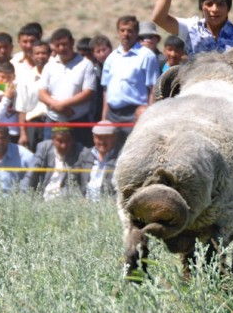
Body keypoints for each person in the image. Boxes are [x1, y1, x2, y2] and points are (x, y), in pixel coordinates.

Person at [101, 16, 160, 147]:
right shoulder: (111, 57)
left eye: (130, 31)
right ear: (118, 32)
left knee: (134, 151)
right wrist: (104, 119)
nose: (126, 34)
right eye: (122, 30)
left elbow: (153, 89)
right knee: (112, 153)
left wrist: (149, 115)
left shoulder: (147, 56)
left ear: (136, 33)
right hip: (112, 114)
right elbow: (106, 90)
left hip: (135, 114)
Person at [39, 28, 97, 147]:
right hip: (53, 120)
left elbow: (88, 93)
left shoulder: (86, 65)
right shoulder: (49, 66)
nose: (61, 48)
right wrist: (58, 107)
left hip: (78, 120)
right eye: (57, 45)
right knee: (49, 156)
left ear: (72, 42)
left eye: (64, 44)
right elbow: (42, 93)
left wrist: (62, 105)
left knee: (81, 159)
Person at [31, 127, 86, 200]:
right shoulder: (44, 147)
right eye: (60, 141)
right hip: (42, 196)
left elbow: (72, 181)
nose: (63, 146)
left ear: (73, 140)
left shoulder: (79, 151)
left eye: (67, 141)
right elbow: (31, 173)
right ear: (52, 139)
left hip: (65, 199)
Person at [16, 40, 51, 151]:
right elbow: (21, 107)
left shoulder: (57, 75)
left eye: (44, 53)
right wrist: (23, 134)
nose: (40, 56)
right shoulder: (26, 78)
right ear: (31, 55)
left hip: (53, 122)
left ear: (49, 55)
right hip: (33, 125)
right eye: (37, 53)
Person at [76, 121, 118, 201]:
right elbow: (72, 177)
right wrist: (78, 198)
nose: (102, 141)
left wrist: (110, 203)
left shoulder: (120, 157)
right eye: (99, 137)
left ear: (114, 137)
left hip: (108, 206)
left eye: (106, 137)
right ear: (93, 138)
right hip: (83, 205)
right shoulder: (85, 155)